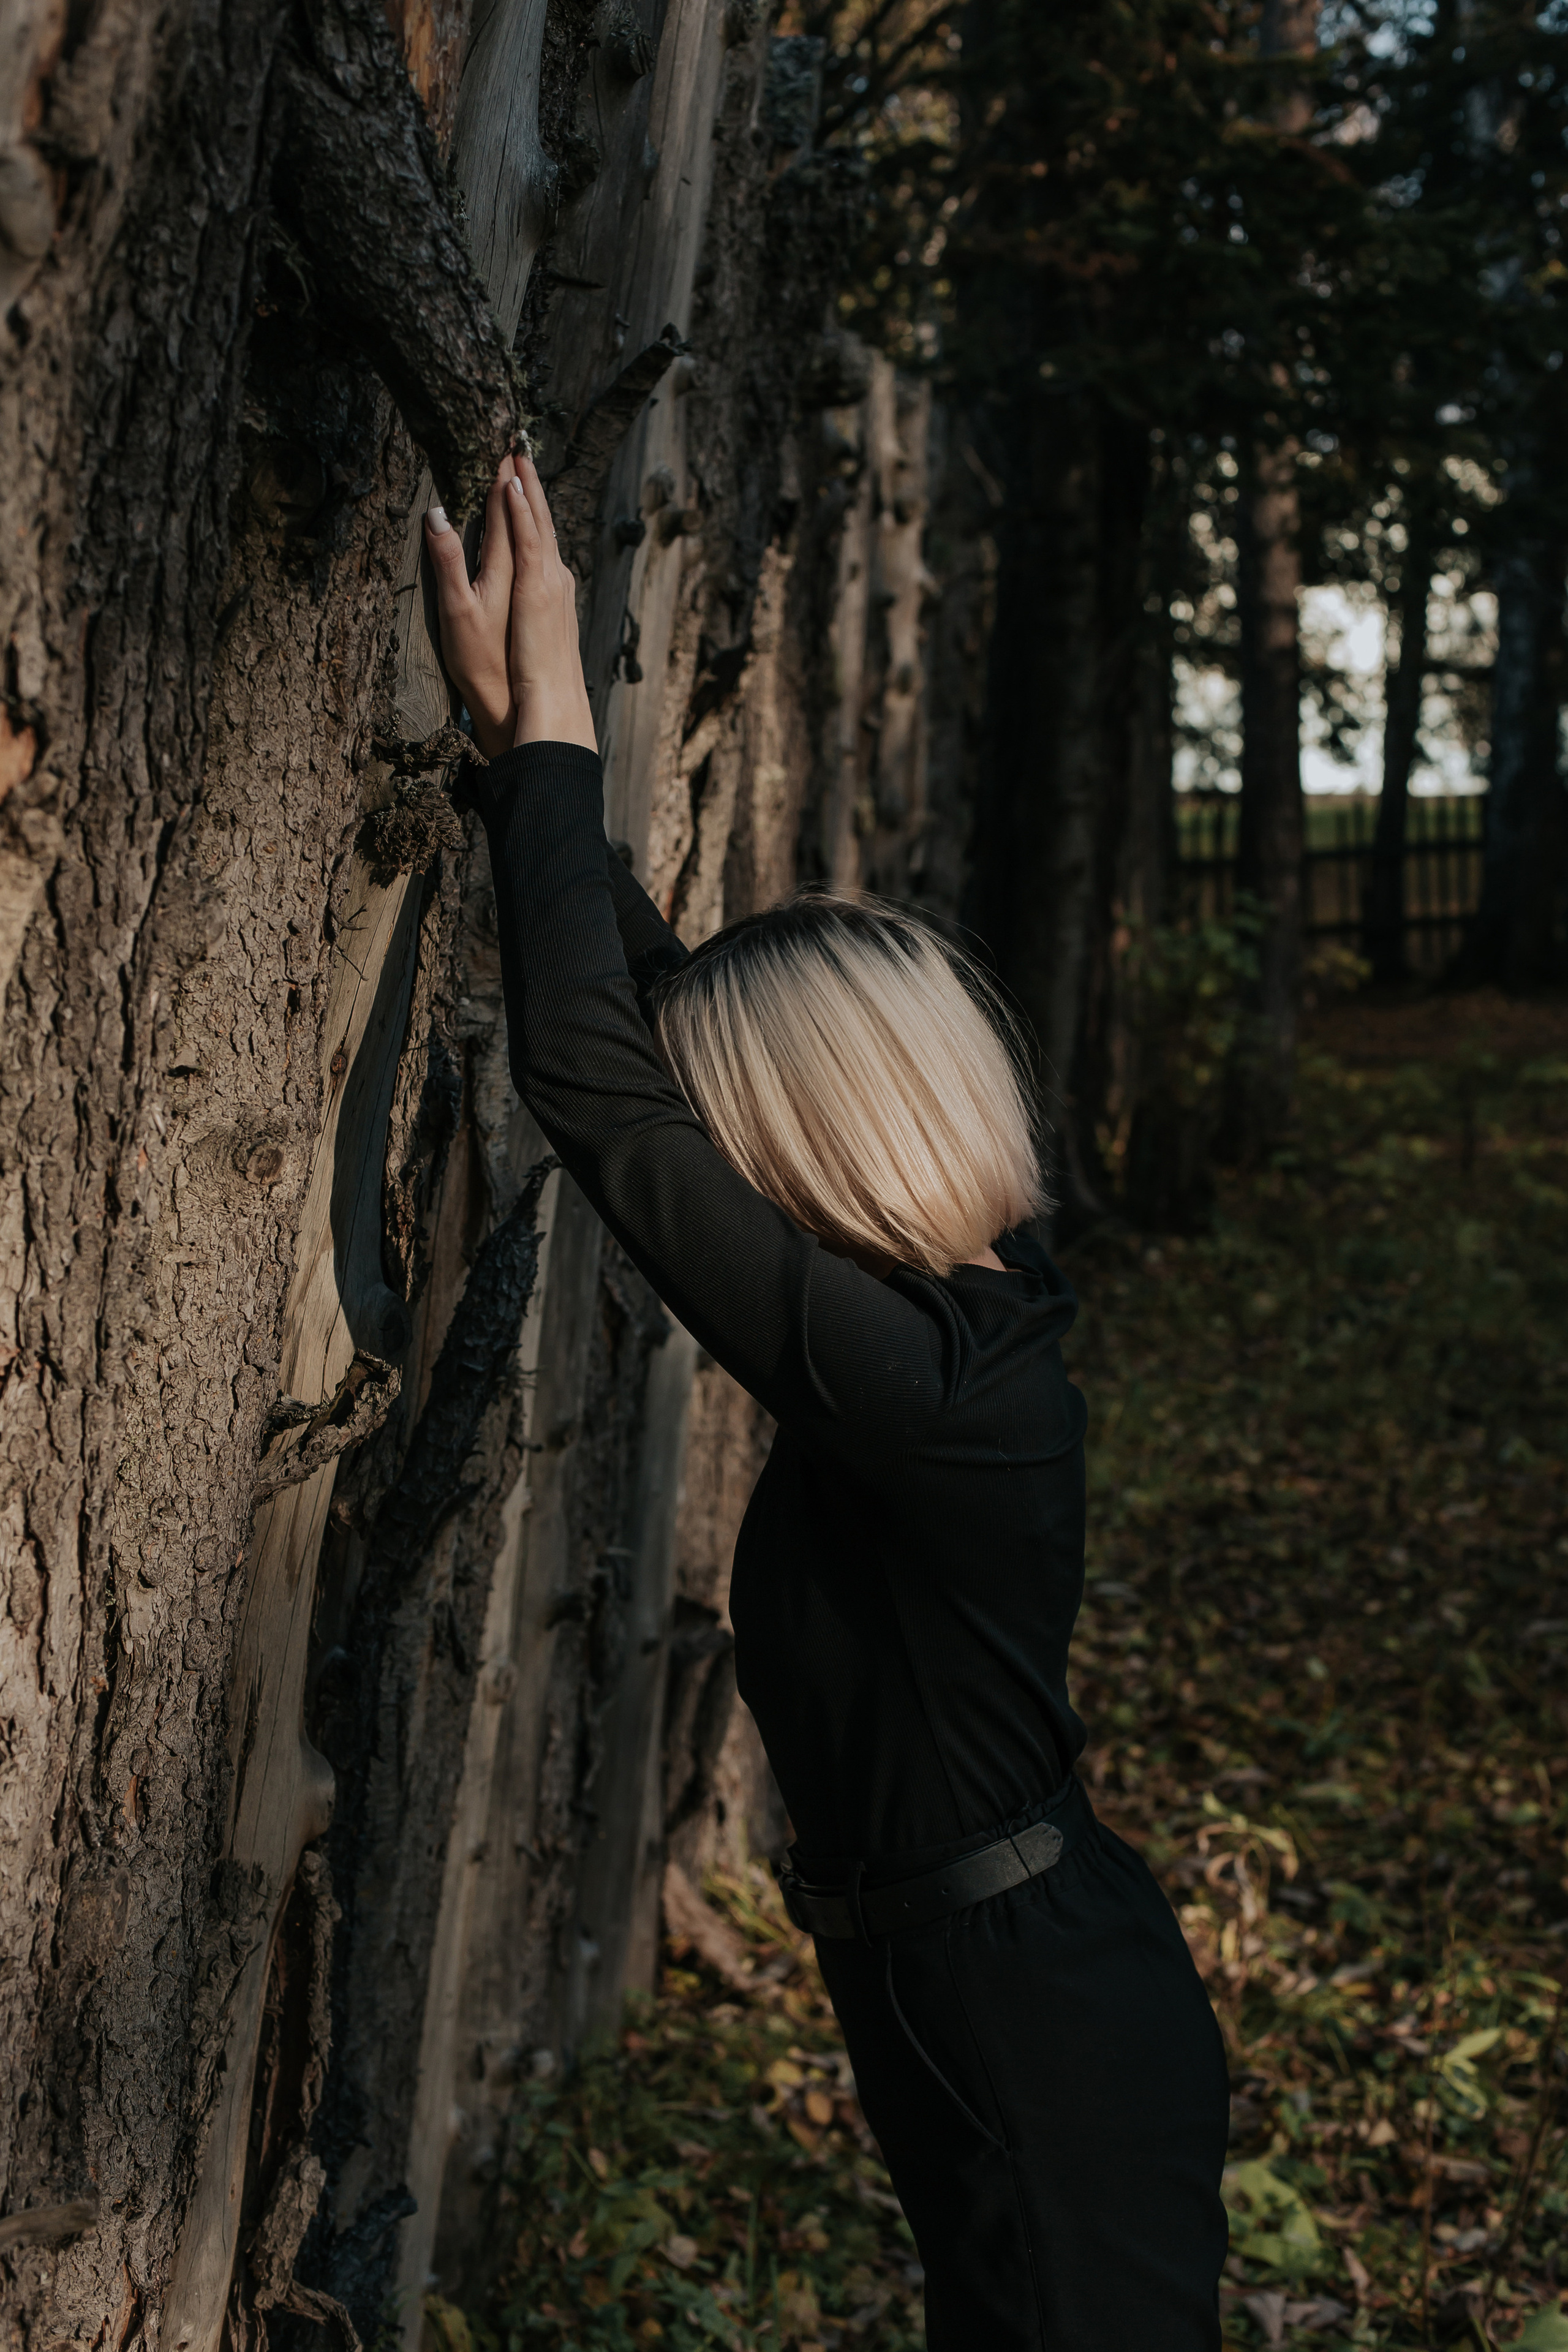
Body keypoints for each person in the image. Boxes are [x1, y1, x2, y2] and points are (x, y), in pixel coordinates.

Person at [424, 455, 1231, 2350]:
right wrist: (511, 762)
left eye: (751, 1141)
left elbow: (608, 1101)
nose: (731, 1181)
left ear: (817, 1142)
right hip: (995, 1992)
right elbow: (648, 1014)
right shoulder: (955, 1323)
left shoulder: (926, 1382)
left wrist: (561, 730)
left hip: (1032, 2036)